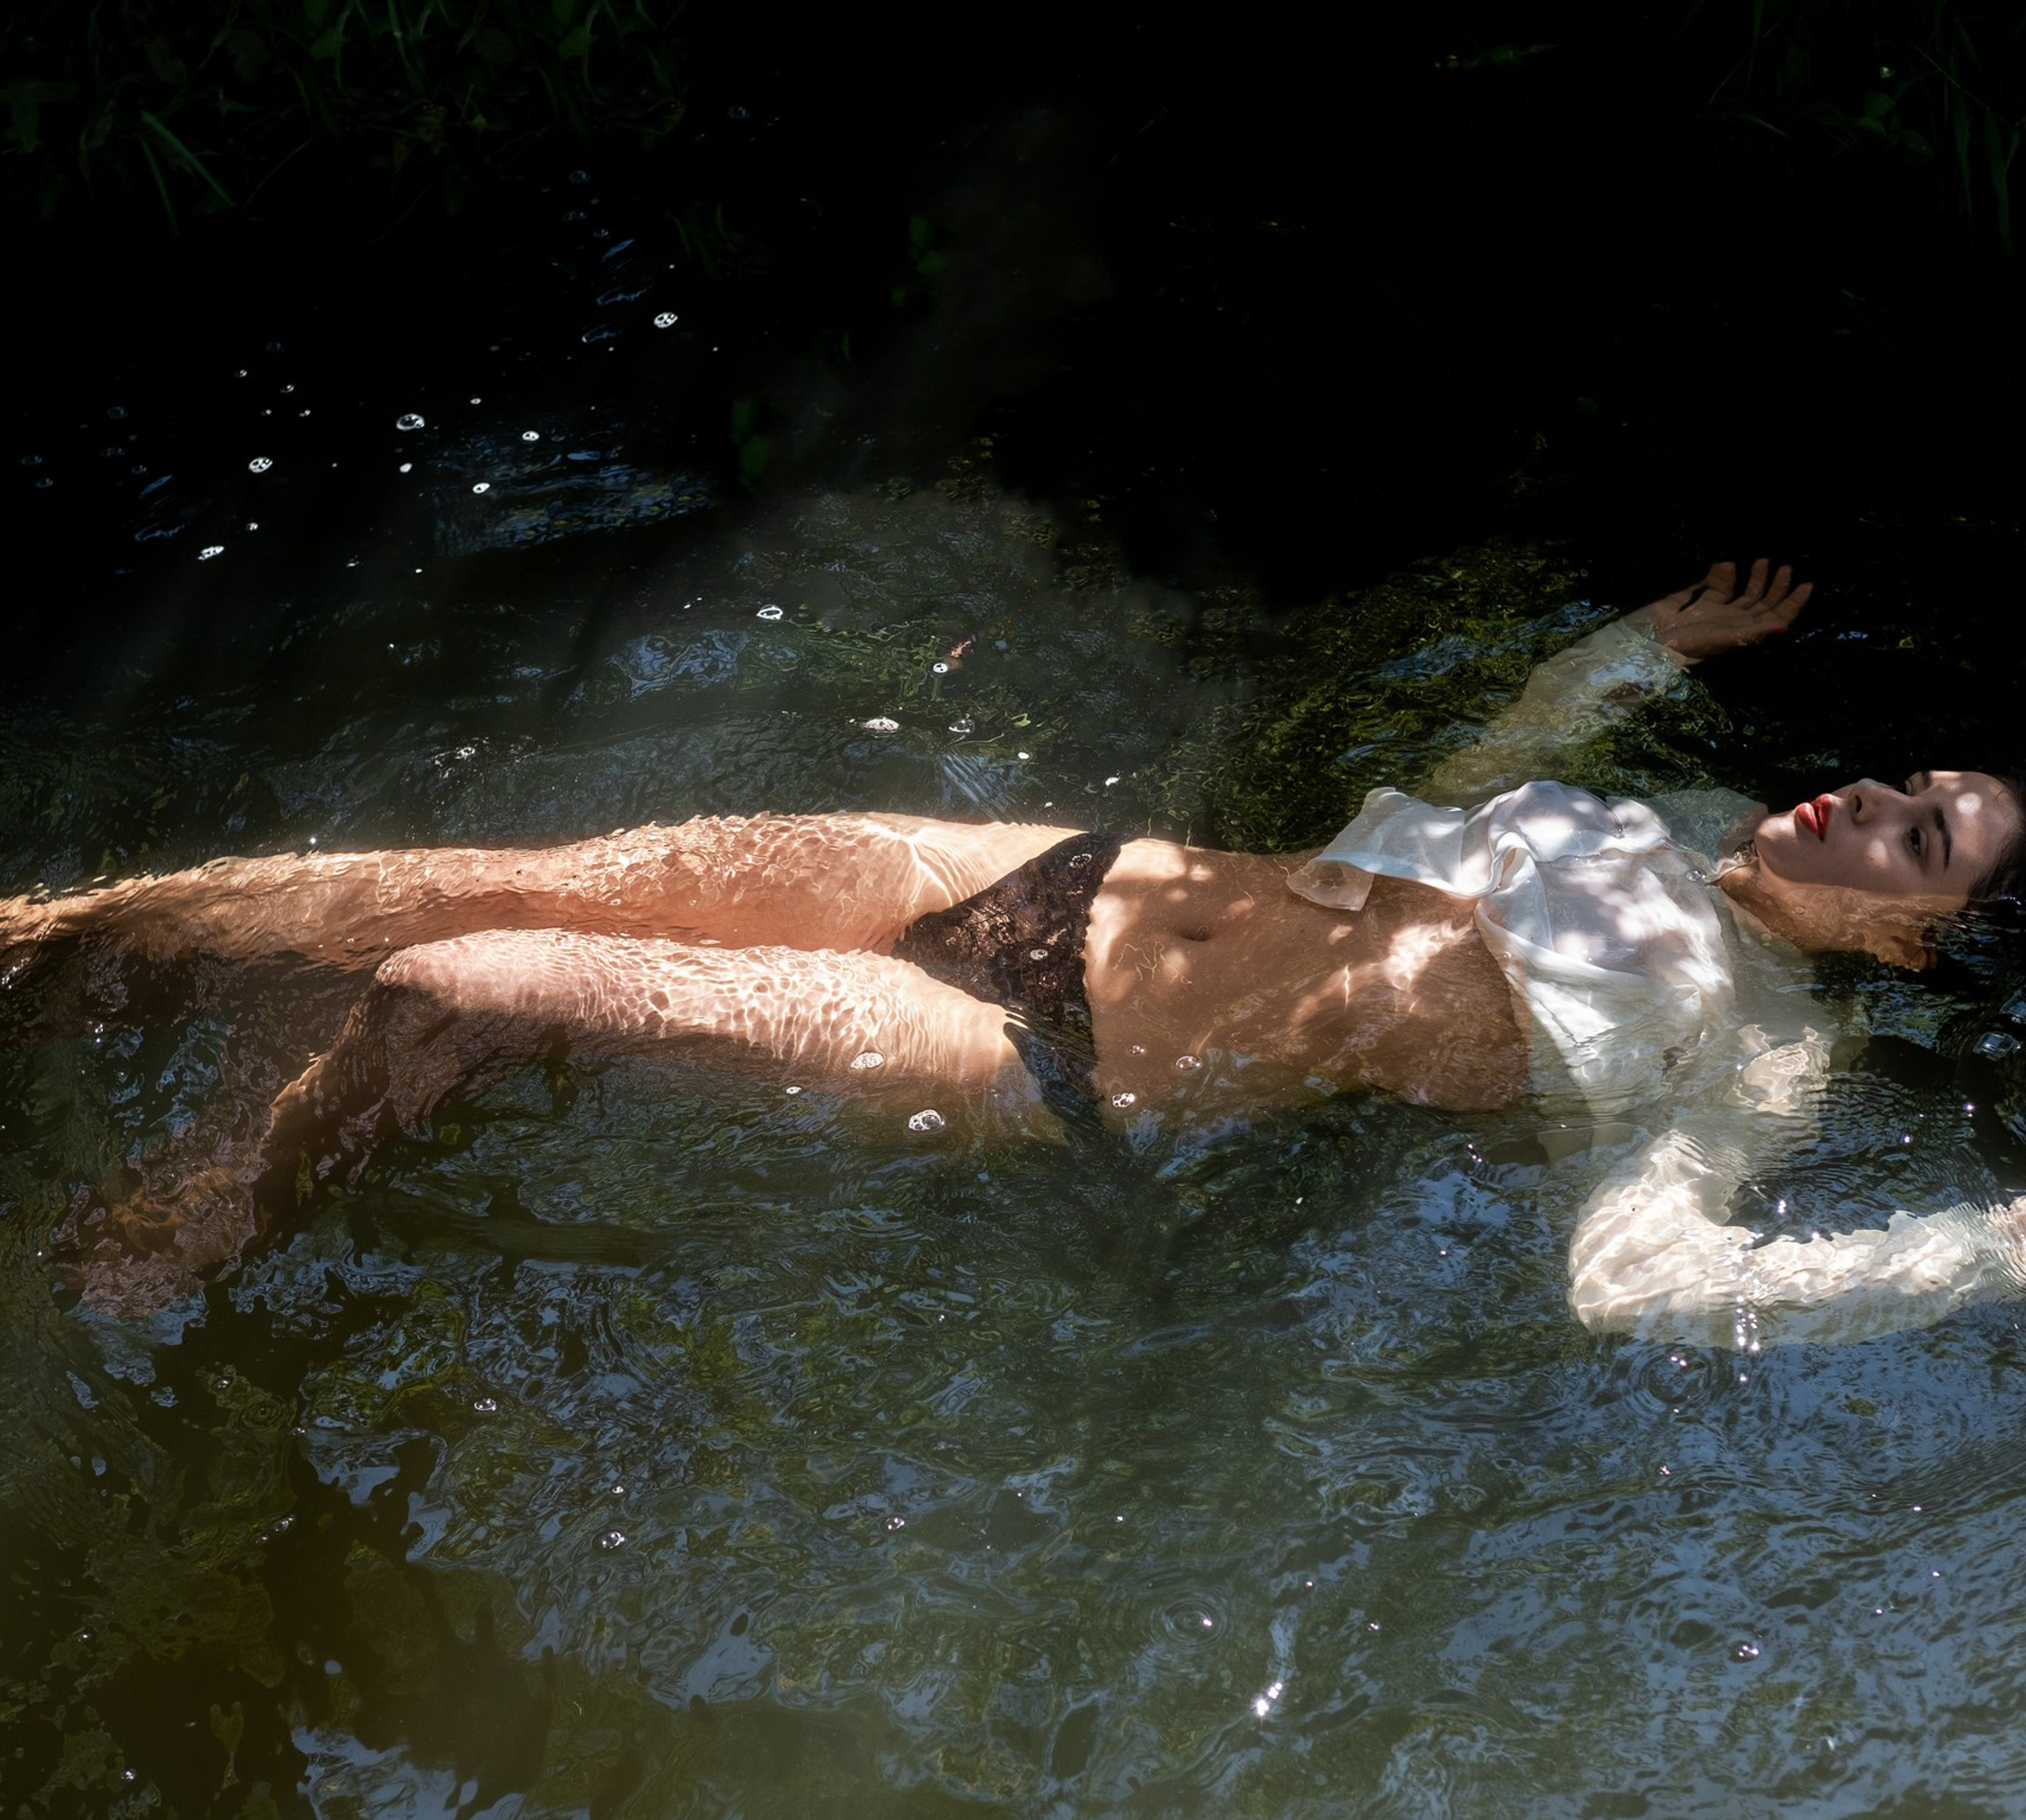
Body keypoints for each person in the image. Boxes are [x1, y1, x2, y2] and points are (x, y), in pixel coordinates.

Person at [8, 561, 2024, 1342]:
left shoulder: (1756, 1058)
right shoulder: (1674, 822)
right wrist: (1634, 655)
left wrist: (1991, 1248)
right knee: (451, 881)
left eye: (1917, 832)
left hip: (1041, 1051)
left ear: (1918, 946)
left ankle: (219, 1202)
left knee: (454, 986)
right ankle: (49, 934)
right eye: (1898, 779)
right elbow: (1455, 785)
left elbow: (1644, 1282)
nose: (1865, 795)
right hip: (1060, 866)